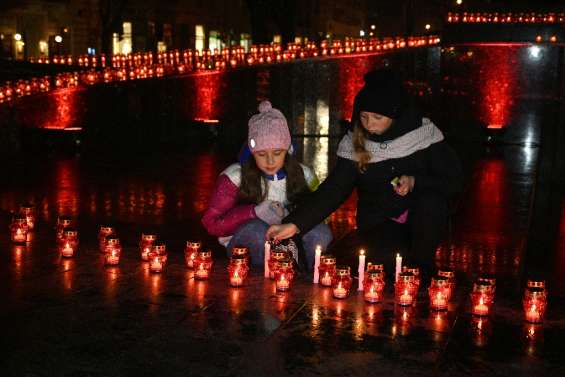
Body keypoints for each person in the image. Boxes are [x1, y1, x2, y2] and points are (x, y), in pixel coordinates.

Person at [267, 69, 463, 270]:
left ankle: (423, 271)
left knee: (431, 204)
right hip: (378, 223)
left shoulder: (424, 138)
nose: (369, 125)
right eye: (364, 116)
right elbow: (334, 190)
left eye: (377, 117)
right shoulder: (356, 142)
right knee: (380, 264)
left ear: (396, 114)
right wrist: (295, 223)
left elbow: (453, 181)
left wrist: (415, 182)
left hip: (422, 221)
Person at [202, 100, 333, 269]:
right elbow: (211, 223)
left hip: (290, 241)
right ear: (252, 152)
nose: (270, 161)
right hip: (249, 243)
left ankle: (305, 277)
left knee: (321, 233)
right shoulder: (234, 177)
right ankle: (257, 283)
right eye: (262, 154)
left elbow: (323, 214)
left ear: (288, 149)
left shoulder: (304, 174)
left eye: (277, 153)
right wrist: (253, 213)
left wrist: (290, 216)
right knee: (256, 231)